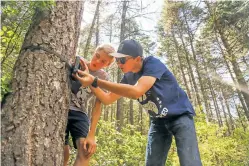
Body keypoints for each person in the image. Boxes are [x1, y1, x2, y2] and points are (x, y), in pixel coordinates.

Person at [74, 39, 202, 166]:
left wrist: (94, 81)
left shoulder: (152, 64)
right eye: (117, 60)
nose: (119, 63)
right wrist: (90, 81)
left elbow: (136, 91)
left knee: (189, 161)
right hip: (158, 122)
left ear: (137, 59)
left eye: (122, 59)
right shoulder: (128, 77)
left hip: (180, 116)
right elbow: (107, 99)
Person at [64, 44, 115, 166]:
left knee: (86, 150)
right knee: (63, 151)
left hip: (79, 112)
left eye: (103, 61)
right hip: (62, 109)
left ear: (107, 65)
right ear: (94, 52)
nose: (97, 61)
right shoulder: (77, 61)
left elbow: (98, 106)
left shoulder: (103, 77)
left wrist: (92, 134)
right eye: (97, 56)